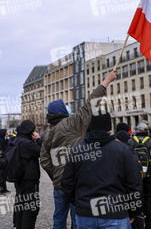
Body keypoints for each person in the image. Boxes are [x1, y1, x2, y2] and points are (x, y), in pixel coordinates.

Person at [41, 70, 117, 229]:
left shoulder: (47, 133)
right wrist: (106, 81)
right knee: (79, 219)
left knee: (59, 218)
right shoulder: (73, 123)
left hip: (59, 185)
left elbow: (44, 160)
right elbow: (90, 103)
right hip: (77, 182)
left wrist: (55, 173)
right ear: (63, 111)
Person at [62, 113, 143, 228]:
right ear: (108, 127)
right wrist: (134, 210)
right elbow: (134, 183)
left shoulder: (77, 149)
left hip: (86, 212)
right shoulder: (122, 149)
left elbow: (66, 182)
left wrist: (79, 203)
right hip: (115, 213)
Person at [128, 122, 151, 229]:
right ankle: (150, 226)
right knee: (150, 203)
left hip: (134, 179)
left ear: (137, 131)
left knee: (136, 202)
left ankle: (137, 225)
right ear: (147, 131)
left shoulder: (130, 142)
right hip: (149, 177)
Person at [12, 120, 41, 229]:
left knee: (20, 206)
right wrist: (38, 139)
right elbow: (43, 152)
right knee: (31, 209)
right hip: (29, 180)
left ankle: (17, 226)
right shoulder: (27, 144)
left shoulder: (16, 140)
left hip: (19, 179)